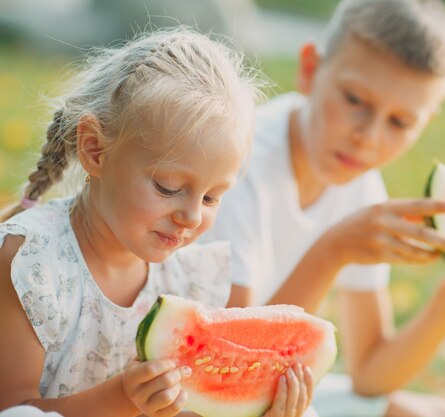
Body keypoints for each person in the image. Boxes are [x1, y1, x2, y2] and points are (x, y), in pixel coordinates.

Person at [201, 1, 445, 416]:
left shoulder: (362, 187)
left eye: (399, 123)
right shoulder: (238, 166)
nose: (368, 137)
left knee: (436, 413)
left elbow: (369, 372)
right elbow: (234, 364)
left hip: (267, 392)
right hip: (185, 392)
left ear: (426, 122)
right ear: (311, 70)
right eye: (354, 99)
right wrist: (333, 251)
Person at [0, 28, 316, 417]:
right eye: (168, 188)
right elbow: (13, 408)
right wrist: (125, 399)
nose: (192, 216)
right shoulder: (31, 263)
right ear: (95, 150)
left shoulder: (188, 279)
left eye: (212, 197)